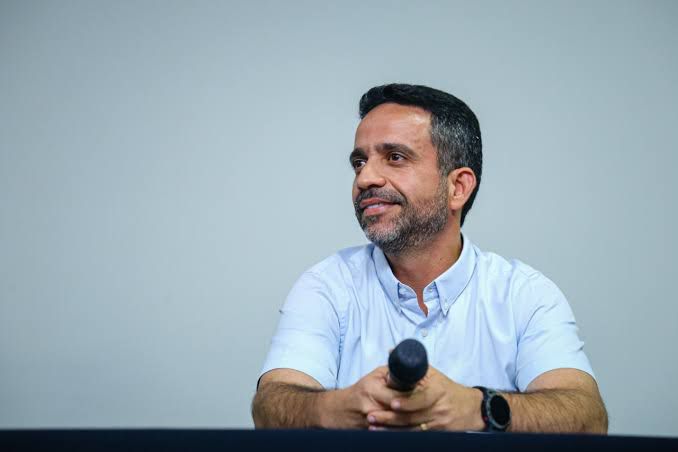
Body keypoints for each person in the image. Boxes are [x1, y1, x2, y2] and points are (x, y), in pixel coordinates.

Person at [251, 84, 608, 433]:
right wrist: (336, 407)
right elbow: (269, 407)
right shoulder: (325, 286)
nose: (365, 178)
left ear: (458, 187)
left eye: (395, 157)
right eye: (360, 162)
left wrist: (478, 408)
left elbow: (588, 417)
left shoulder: (525, 295)